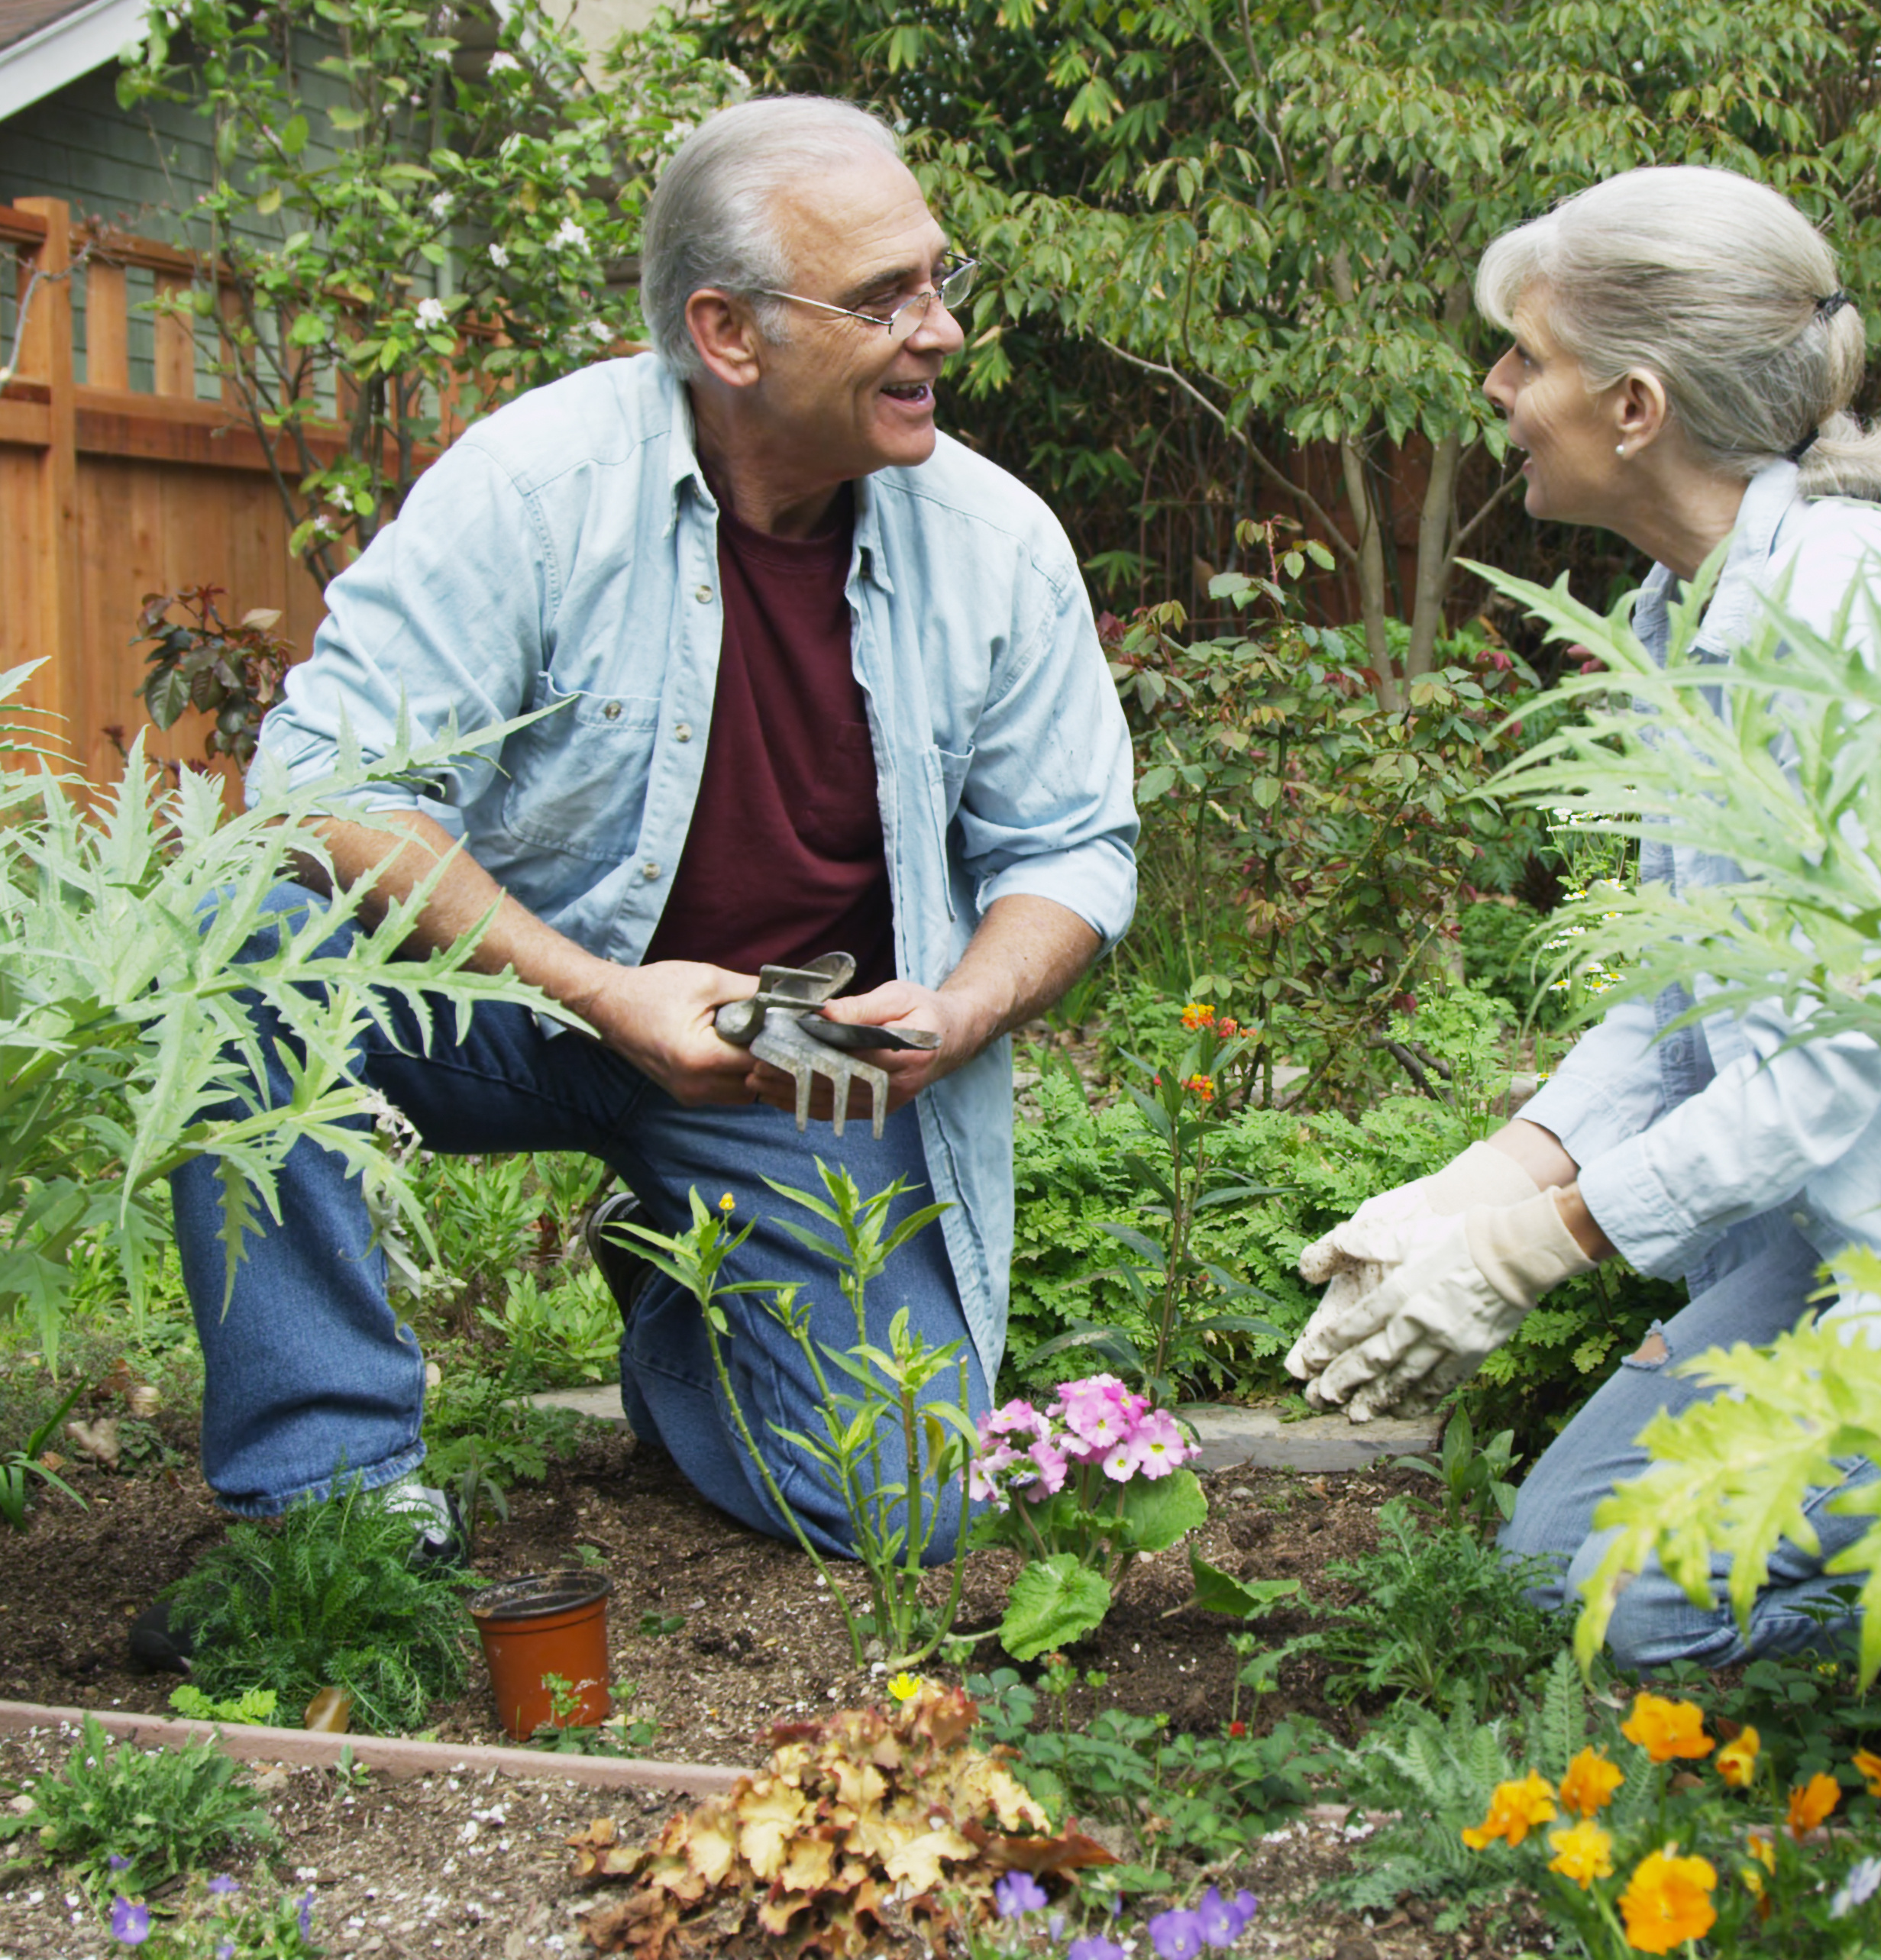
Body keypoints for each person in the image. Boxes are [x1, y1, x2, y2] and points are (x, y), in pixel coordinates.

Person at [135, 95, 1135, 1665]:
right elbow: (322, 775)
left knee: (912, 1500)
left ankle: (676, 1286)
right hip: (507, 992)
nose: (938, 331)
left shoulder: (995, 544)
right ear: (726, 333)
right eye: (883, 301)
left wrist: (956, 1009)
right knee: (242, 933)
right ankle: (329, 1492)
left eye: (938, 282)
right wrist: (599, 990)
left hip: (779, 1045)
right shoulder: (536, 487)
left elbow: (1072, 846)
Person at [1283, 166, 1881, 1670]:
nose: (1499, 387)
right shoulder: (1687, 609)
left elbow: (1849, 1053)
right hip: (1844, 1224)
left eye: (1528, 356)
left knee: (1640, 1617)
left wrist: (1538, 1248)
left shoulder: (1861, 617)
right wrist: (1471, 1190)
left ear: (1637, 406)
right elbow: (1681, 1006)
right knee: (1551, 1583)